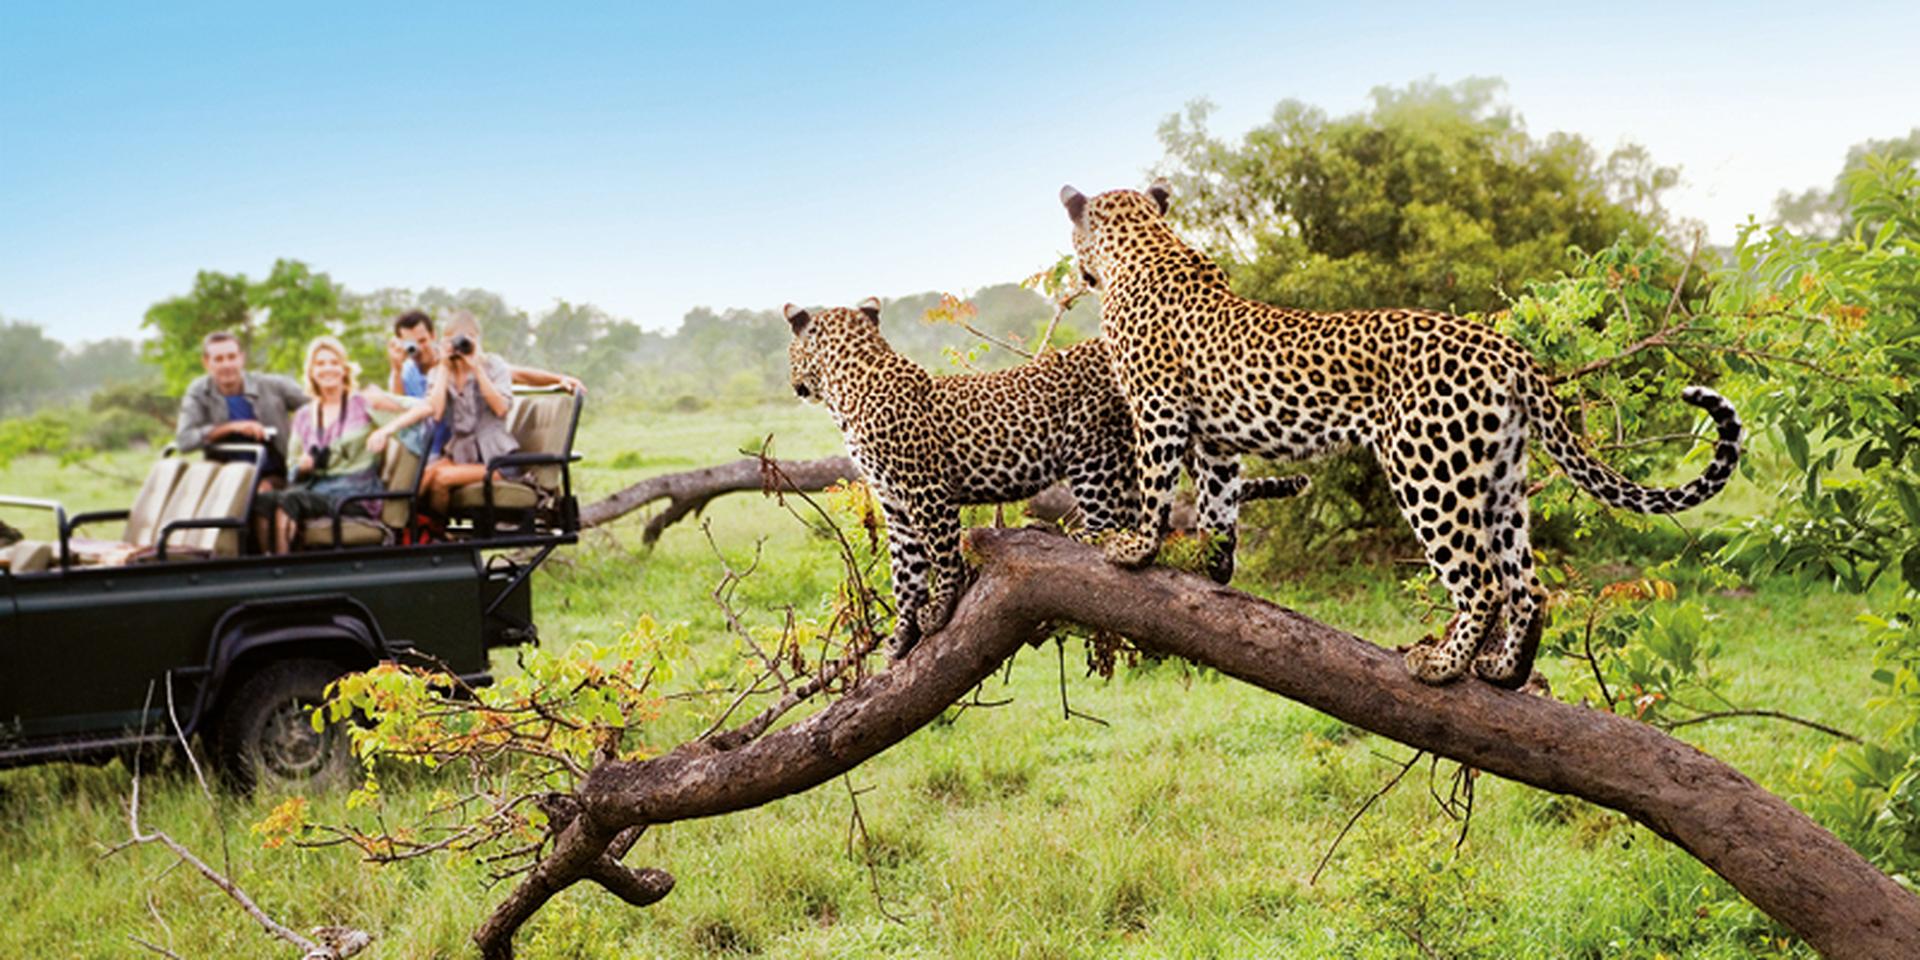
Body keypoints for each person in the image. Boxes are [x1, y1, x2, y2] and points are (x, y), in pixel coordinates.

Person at [254, 336, 417, 554]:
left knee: (291, 500)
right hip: (316, 489)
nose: (327, 369)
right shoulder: (303, 415)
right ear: (311, 371)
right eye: (320, 364)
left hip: (354, 495)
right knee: (262, 501)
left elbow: (420, 412)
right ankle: (268, 565)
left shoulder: (363, 404)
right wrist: (304, 465)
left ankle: (283, 572)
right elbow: (292, 466)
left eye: (334, 362)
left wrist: (385, 431)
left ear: (344, 368)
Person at [175, 331, 308, 487]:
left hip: (275, 474)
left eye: (231, 357)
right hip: (226, 478)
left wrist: (300, 431)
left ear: (241, 358)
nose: (226, 365)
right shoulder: (199, 391)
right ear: (206, 362)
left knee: (260, 495)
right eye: (218, 359)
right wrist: (232, 427)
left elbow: (318, 407)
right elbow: (184, 441)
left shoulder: (273, 385)